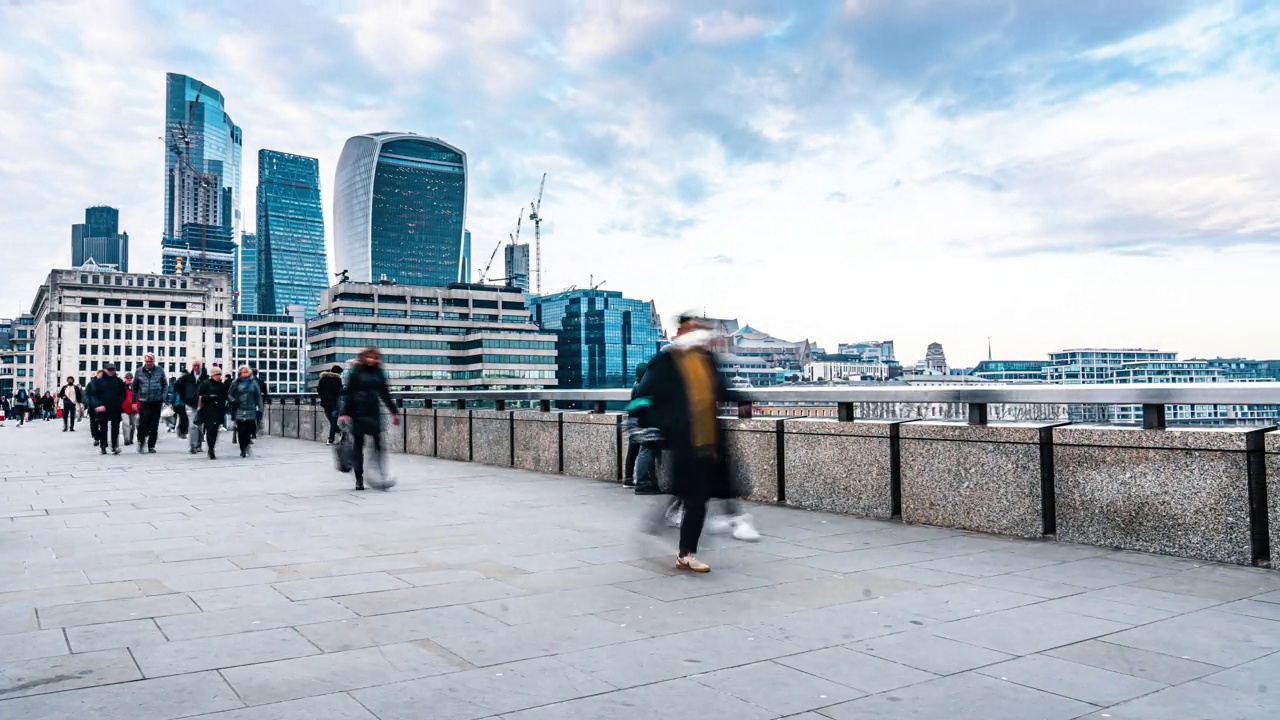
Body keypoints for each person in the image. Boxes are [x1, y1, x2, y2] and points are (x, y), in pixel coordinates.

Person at [628, 312, 758, 573]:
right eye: (691, 329)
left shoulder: (707, 359)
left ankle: (681, 546)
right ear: (680, 333)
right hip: (683, 439)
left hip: (710, 438)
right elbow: (643, 394)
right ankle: (684, 550)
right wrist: (639, 423)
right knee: (694, 496)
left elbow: (719, 388)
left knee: (696, 496)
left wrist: (742, 398)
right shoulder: (666, 361)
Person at [338, 348, 400, 491]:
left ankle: (381, 474)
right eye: (369, 357)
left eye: (374, 357)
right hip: (358, 412)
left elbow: (385, 393)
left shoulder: (379, 373)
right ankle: (359, 479)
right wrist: (345, 413)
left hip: (373, 411)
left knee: (379, 444)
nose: (372, 360)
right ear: (363, 358)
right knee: (358, 445)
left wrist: (394, 412)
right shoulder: (356, 372)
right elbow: (348, 393)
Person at [131, 353, 168, 454]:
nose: (148, 363)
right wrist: (133, 401)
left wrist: (163, 397)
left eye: (150, 362)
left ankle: (151, 445)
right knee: (143, 423)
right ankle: (141, 442)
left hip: (157, 401)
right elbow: (134, 388)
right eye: (147, 362)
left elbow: (165, 385)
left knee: (154, 424)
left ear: (153, 361)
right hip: (144, 401)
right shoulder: (139, 372)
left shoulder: (159, 370)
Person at [90, 364, 127, 455]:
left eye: (113, 370)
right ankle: (103, 446)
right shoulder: (98, 382)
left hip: (115, 407)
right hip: (102, 407)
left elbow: (123, 394)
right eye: (109, 370)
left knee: (115, 427)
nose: (111, 371)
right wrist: (98, 405)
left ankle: (114, 446)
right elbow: (93, 395)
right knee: (103, 427)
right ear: (105, 370)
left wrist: (119, 402)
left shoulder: (119, 381)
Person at [228, 366, 263, 458]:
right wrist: (233, 400)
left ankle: (246, 444)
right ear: (240, 373)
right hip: (239, 409)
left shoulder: (254, 383)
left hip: (250, 409)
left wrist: (260, 407)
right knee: (241, 431)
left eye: (246, 372)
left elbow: (258, 396)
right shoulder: (235, 383)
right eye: (243, 372)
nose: (245, 374)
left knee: (249, 430)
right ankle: (242, 449)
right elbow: (229, 394)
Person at [175, 361, 208, 453]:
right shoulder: (187, 378)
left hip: (202, 404)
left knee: (200, 426)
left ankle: (198, 445)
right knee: (193, 425)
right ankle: (192, 446)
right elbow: (176, 385)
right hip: (190, 404)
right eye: (195, 366)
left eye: (198, 366)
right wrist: (184, 396)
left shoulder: (205, 377)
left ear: (201, 367)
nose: (196, 367)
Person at [196, 367, 228, 459]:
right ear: (212, 375)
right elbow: (199, 395)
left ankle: (212, 446)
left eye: (219, 375)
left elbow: (225, 397)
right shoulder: (205, 384)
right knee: (210, 430)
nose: (218, 377)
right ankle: (211, 449)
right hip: (208, 410)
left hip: (218, 410)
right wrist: (209, 396)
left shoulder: (222, 386)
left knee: (215, 431)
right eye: (216, 375)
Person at [317, 364, 344, 445]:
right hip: (335, 404)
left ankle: (334, 437)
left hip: (325, 403)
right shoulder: (337, 380)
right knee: (333, 422)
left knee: (332, 421)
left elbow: (319, 390)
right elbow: (340, 392)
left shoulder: (323, 379)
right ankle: (339, 434)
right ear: (338, 373)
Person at [85, 372, 105, 446]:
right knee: (94, 424)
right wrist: (88, 402)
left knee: (103, 423)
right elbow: (86, 394)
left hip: (103, 406)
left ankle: (102, 438)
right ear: (96, 375)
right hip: (93, 407)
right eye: (99, 375)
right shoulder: (91, 383)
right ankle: (96, 437)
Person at [121, 373, 139, 445]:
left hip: (133, 409)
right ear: (125, 379)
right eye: (127, 378)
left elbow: (138, 396)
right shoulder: (121, 387)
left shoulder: (135, 387)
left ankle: (131, 438)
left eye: (130, 378)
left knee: (133, 425)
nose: (129, 380)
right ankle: (126, 439)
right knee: (126, 424)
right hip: (124, 408)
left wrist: (137, 406)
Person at [251, 368, 268, 438]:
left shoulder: (249, 382)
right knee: (258, 417)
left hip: (251, 403)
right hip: (259, 402)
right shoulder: (261, 381)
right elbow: (265, 392)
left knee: (251, 418)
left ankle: (252, 432)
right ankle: (256, 431)